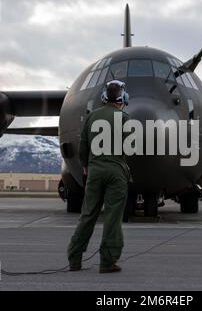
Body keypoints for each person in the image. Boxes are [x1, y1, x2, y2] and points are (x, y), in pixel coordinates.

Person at [67, 80, 131, 273]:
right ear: (123, 98)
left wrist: (86, 166)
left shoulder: (91, 117)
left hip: (95, 170)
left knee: (88, 214)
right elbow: (130, 148)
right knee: (113, 217)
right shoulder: (125, 118)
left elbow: (83, 146)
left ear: (104, 97)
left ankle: (74, 258)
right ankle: (107, 262)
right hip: (117, 171)